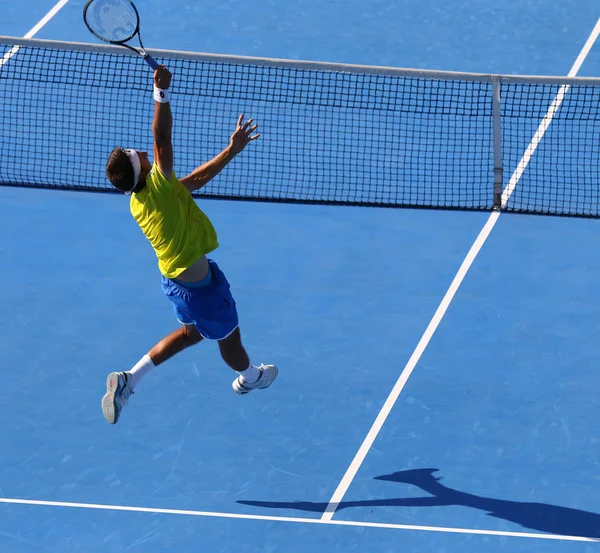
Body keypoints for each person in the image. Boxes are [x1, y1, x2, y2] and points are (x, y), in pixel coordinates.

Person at [101, 64, 278, 425]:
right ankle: (250, 376)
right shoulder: (162, 184)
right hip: (201, 291)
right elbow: (162, 139)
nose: (144, 151)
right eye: (140, 154)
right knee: (229, 339)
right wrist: (160, 93)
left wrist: (232, 149)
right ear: (143, 168)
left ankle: (128, 380)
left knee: (190, 334)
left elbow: (197, 178)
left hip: (175, 282)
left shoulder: (142, 199)